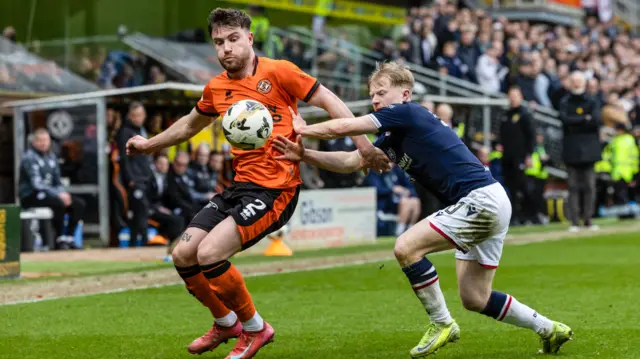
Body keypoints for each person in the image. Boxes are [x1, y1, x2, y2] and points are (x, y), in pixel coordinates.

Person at [125, 8, 389, 359]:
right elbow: (189, 125)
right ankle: (226, 322)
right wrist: (148, 145)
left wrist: (365, 148)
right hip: (241, 186)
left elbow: (329, 101)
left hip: (277, 188)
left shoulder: (279, 72)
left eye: (233, 39)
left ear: (249, 38)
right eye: (219, 42)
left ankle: (255, 329)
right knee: (183, 254)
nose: (226, 49)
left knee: (209, 254)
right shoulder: (217, 87)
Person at [273, 61, 572, 358]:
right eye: (372, 94)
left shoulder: (407, 112)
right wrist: (304, 154)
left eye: (381, 92)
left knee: (406, 247)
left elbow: (346, 125)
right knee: (475, 298)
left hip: (478, 200)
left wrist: (304, 128)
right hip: (487, 200)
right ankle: (549, 328)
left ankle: (442, 323)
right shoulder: (392, 137)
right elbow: (352, 161)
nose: (375, 99)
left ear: (404, 94)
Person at [19, 128, 85, 250]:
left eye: (45, 140)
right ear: (34, 142)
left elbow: (57, 181)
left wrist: (63, 193)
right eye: (40, 140)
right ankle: (58, 239)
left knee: (78, 204)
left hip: (50, 194)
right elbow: (36, 184)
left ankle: (68, 238)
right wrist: (57, 195)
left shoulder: (51, 157)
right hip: (31, 195)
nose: (43, 143)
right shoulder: (29, 157)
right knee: (58, 203)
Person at [559, 71, 602, 231]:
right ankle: (575, 221)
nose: (577, 84)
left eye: (579, 81)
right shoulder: (565, 101)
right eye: (574, 81)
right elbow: (565, 120)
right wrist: (584, 118)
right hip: (572, 149)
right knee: (573, 186)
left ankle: (588, 219)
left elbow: (596, 121)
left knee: (590, 185)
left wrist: (576, 122)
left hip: (589, 150)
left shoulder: (592, 101)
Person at [115, 101, 153, 247]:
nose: (138, 118)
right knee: (139, 209)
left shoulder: (142, 130)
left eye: (141, 115)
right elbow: (124, 158)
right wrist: (130, 178)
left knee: (143, 210)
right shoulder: (125, 132)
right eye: (135, 115)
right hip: (134, 179)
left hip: (145, 177)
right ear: (129, 116)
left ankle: (138, 241)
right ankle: (141, 242)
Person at [500, 86, 536, 224]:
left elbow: (531, 136)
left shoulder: (525, 114)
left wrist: (529, 155)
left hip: (520, 157)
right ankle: (514, 216)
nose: (513, 98)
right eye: (511, 96)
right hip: (507, 157)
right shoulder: (505, 115)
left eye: (515, 95)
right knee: (510, 188)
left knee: (523, 187)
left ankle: (530, 215)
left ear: (521, 97)